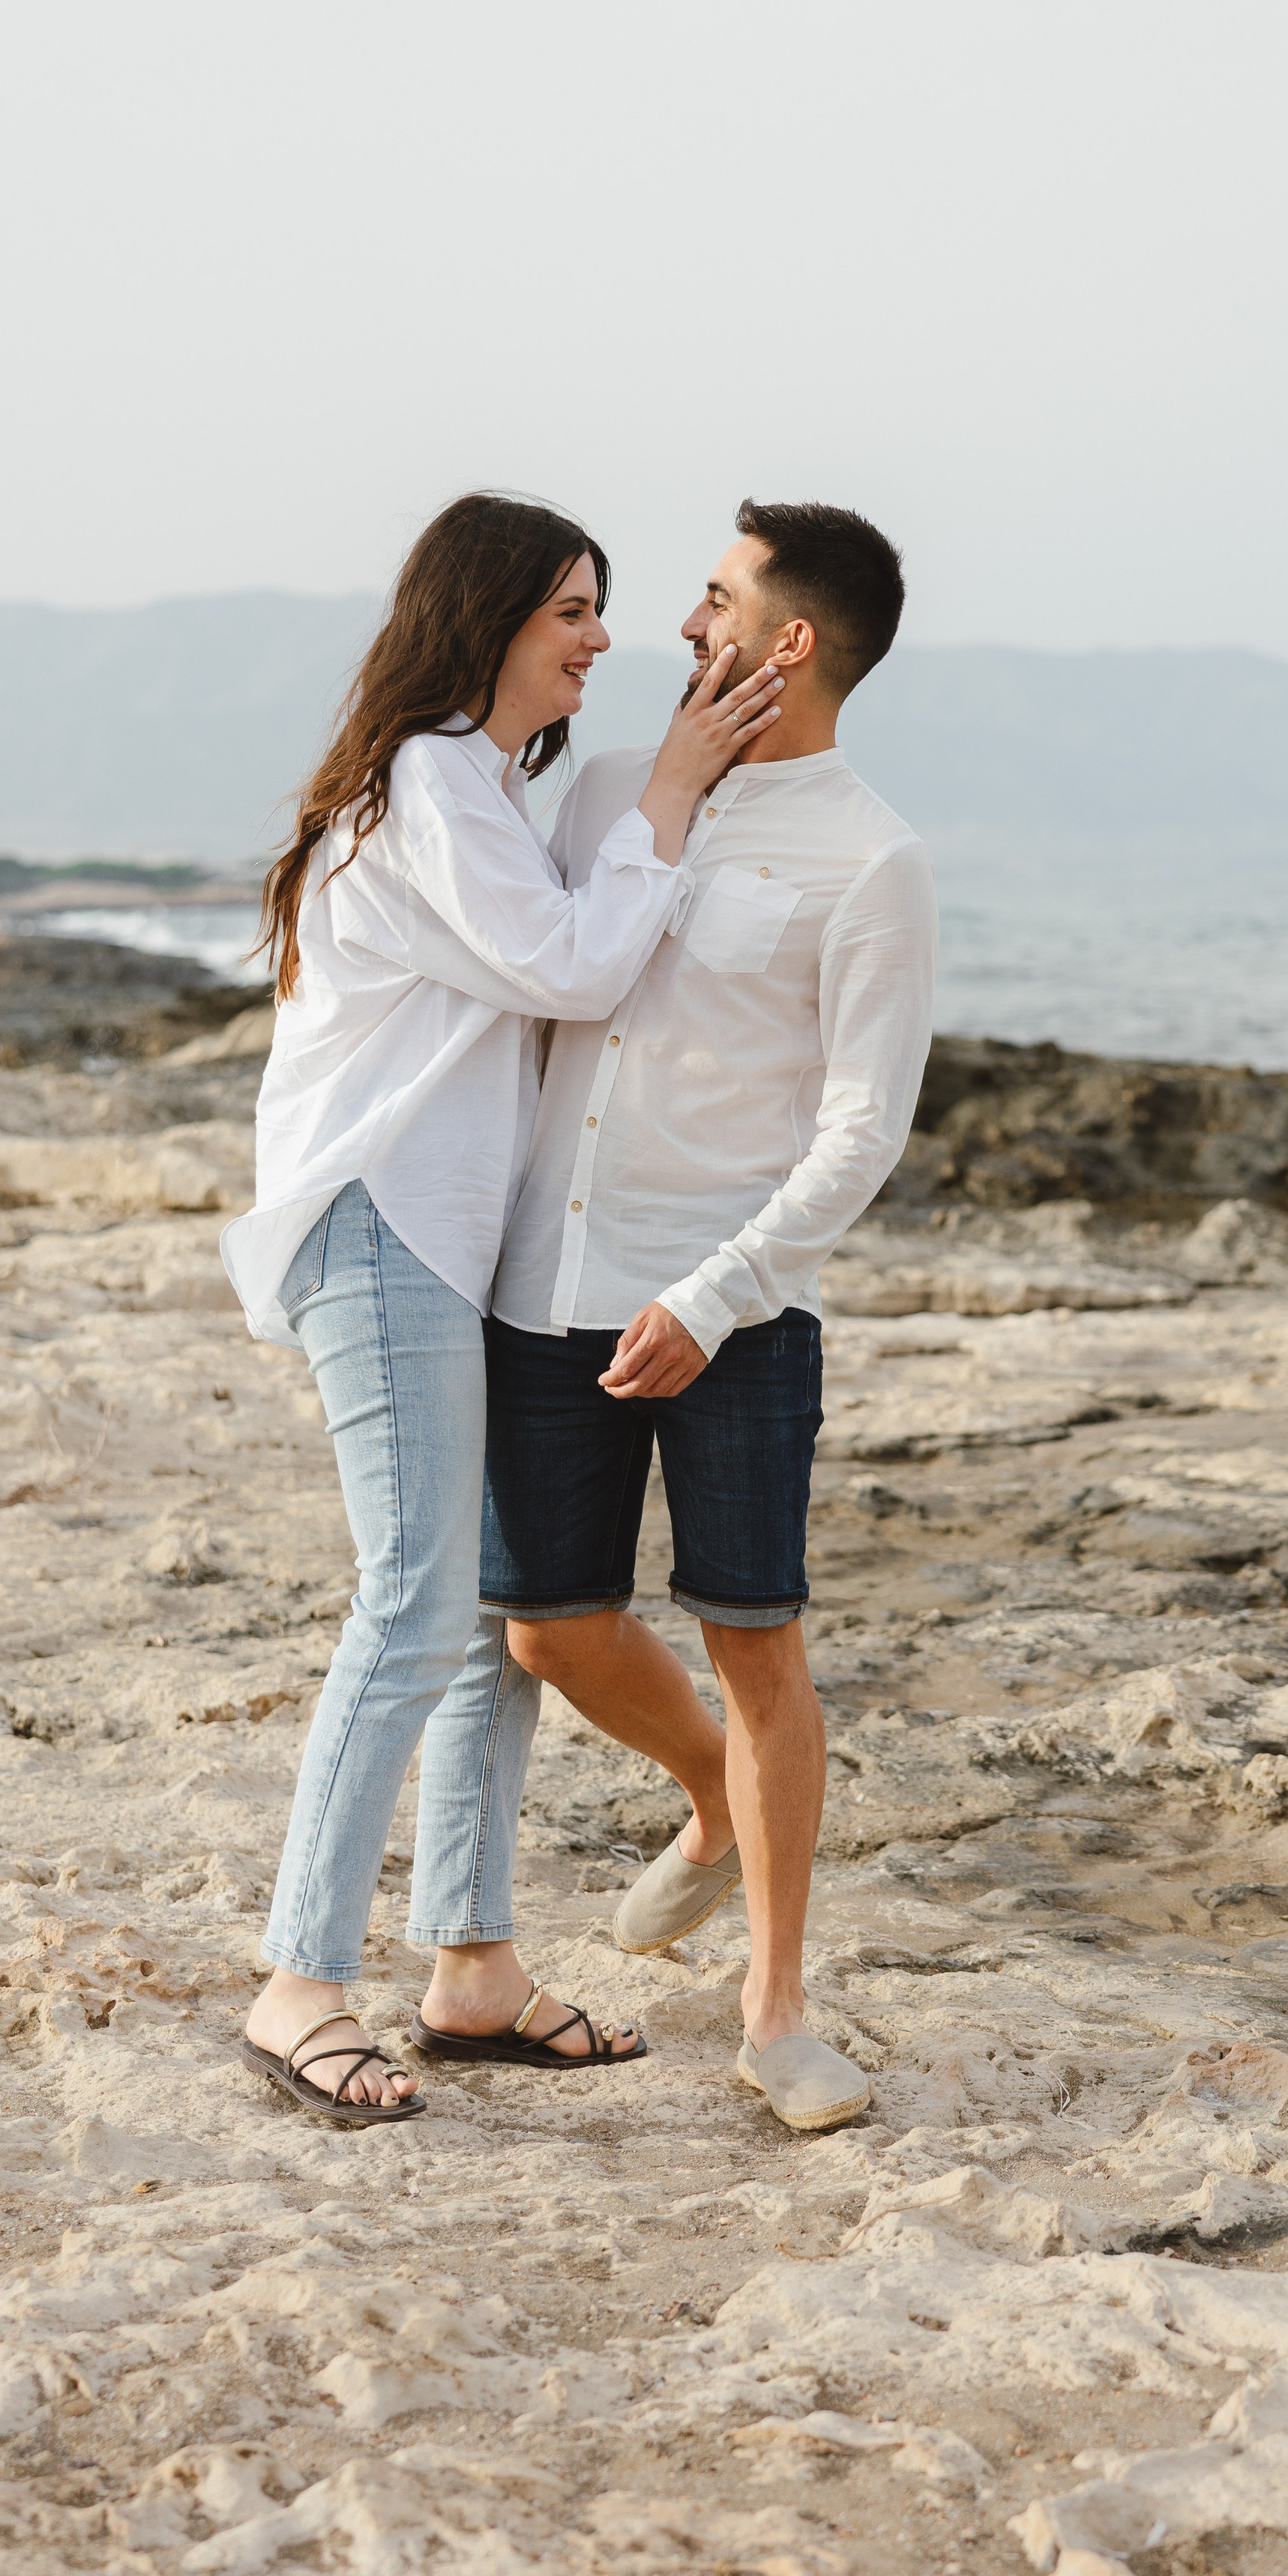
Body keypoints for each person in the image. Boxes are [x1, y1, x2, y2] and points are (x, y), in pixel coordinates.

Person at [223, 492, 783, 2120]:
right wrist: (674, 790)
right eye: (570, 614)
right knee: (411, 1609)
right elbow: (571, 969)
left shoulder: (469, 780)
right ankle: (296, 1985)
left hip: (439, 1251)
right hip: (381, 1231)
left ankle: (467, 1970)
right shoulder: (423, 782)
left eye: (603, 610)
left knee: (481, 1620)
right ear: (484, 623)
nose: (602, 642)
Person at [473, 499, 937, 2133]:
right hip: (547, 1284)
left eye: (715, 596)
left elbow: (860, 1129)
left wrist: (718, 1294)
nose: (684, 623)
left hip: (737, 1311)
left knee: (757, 1648)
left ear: (787, 639)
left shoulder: (870, 857)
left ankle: (776, 2012)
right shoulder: (612, 786)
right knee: (547, 1625)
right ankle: (710, 1806)